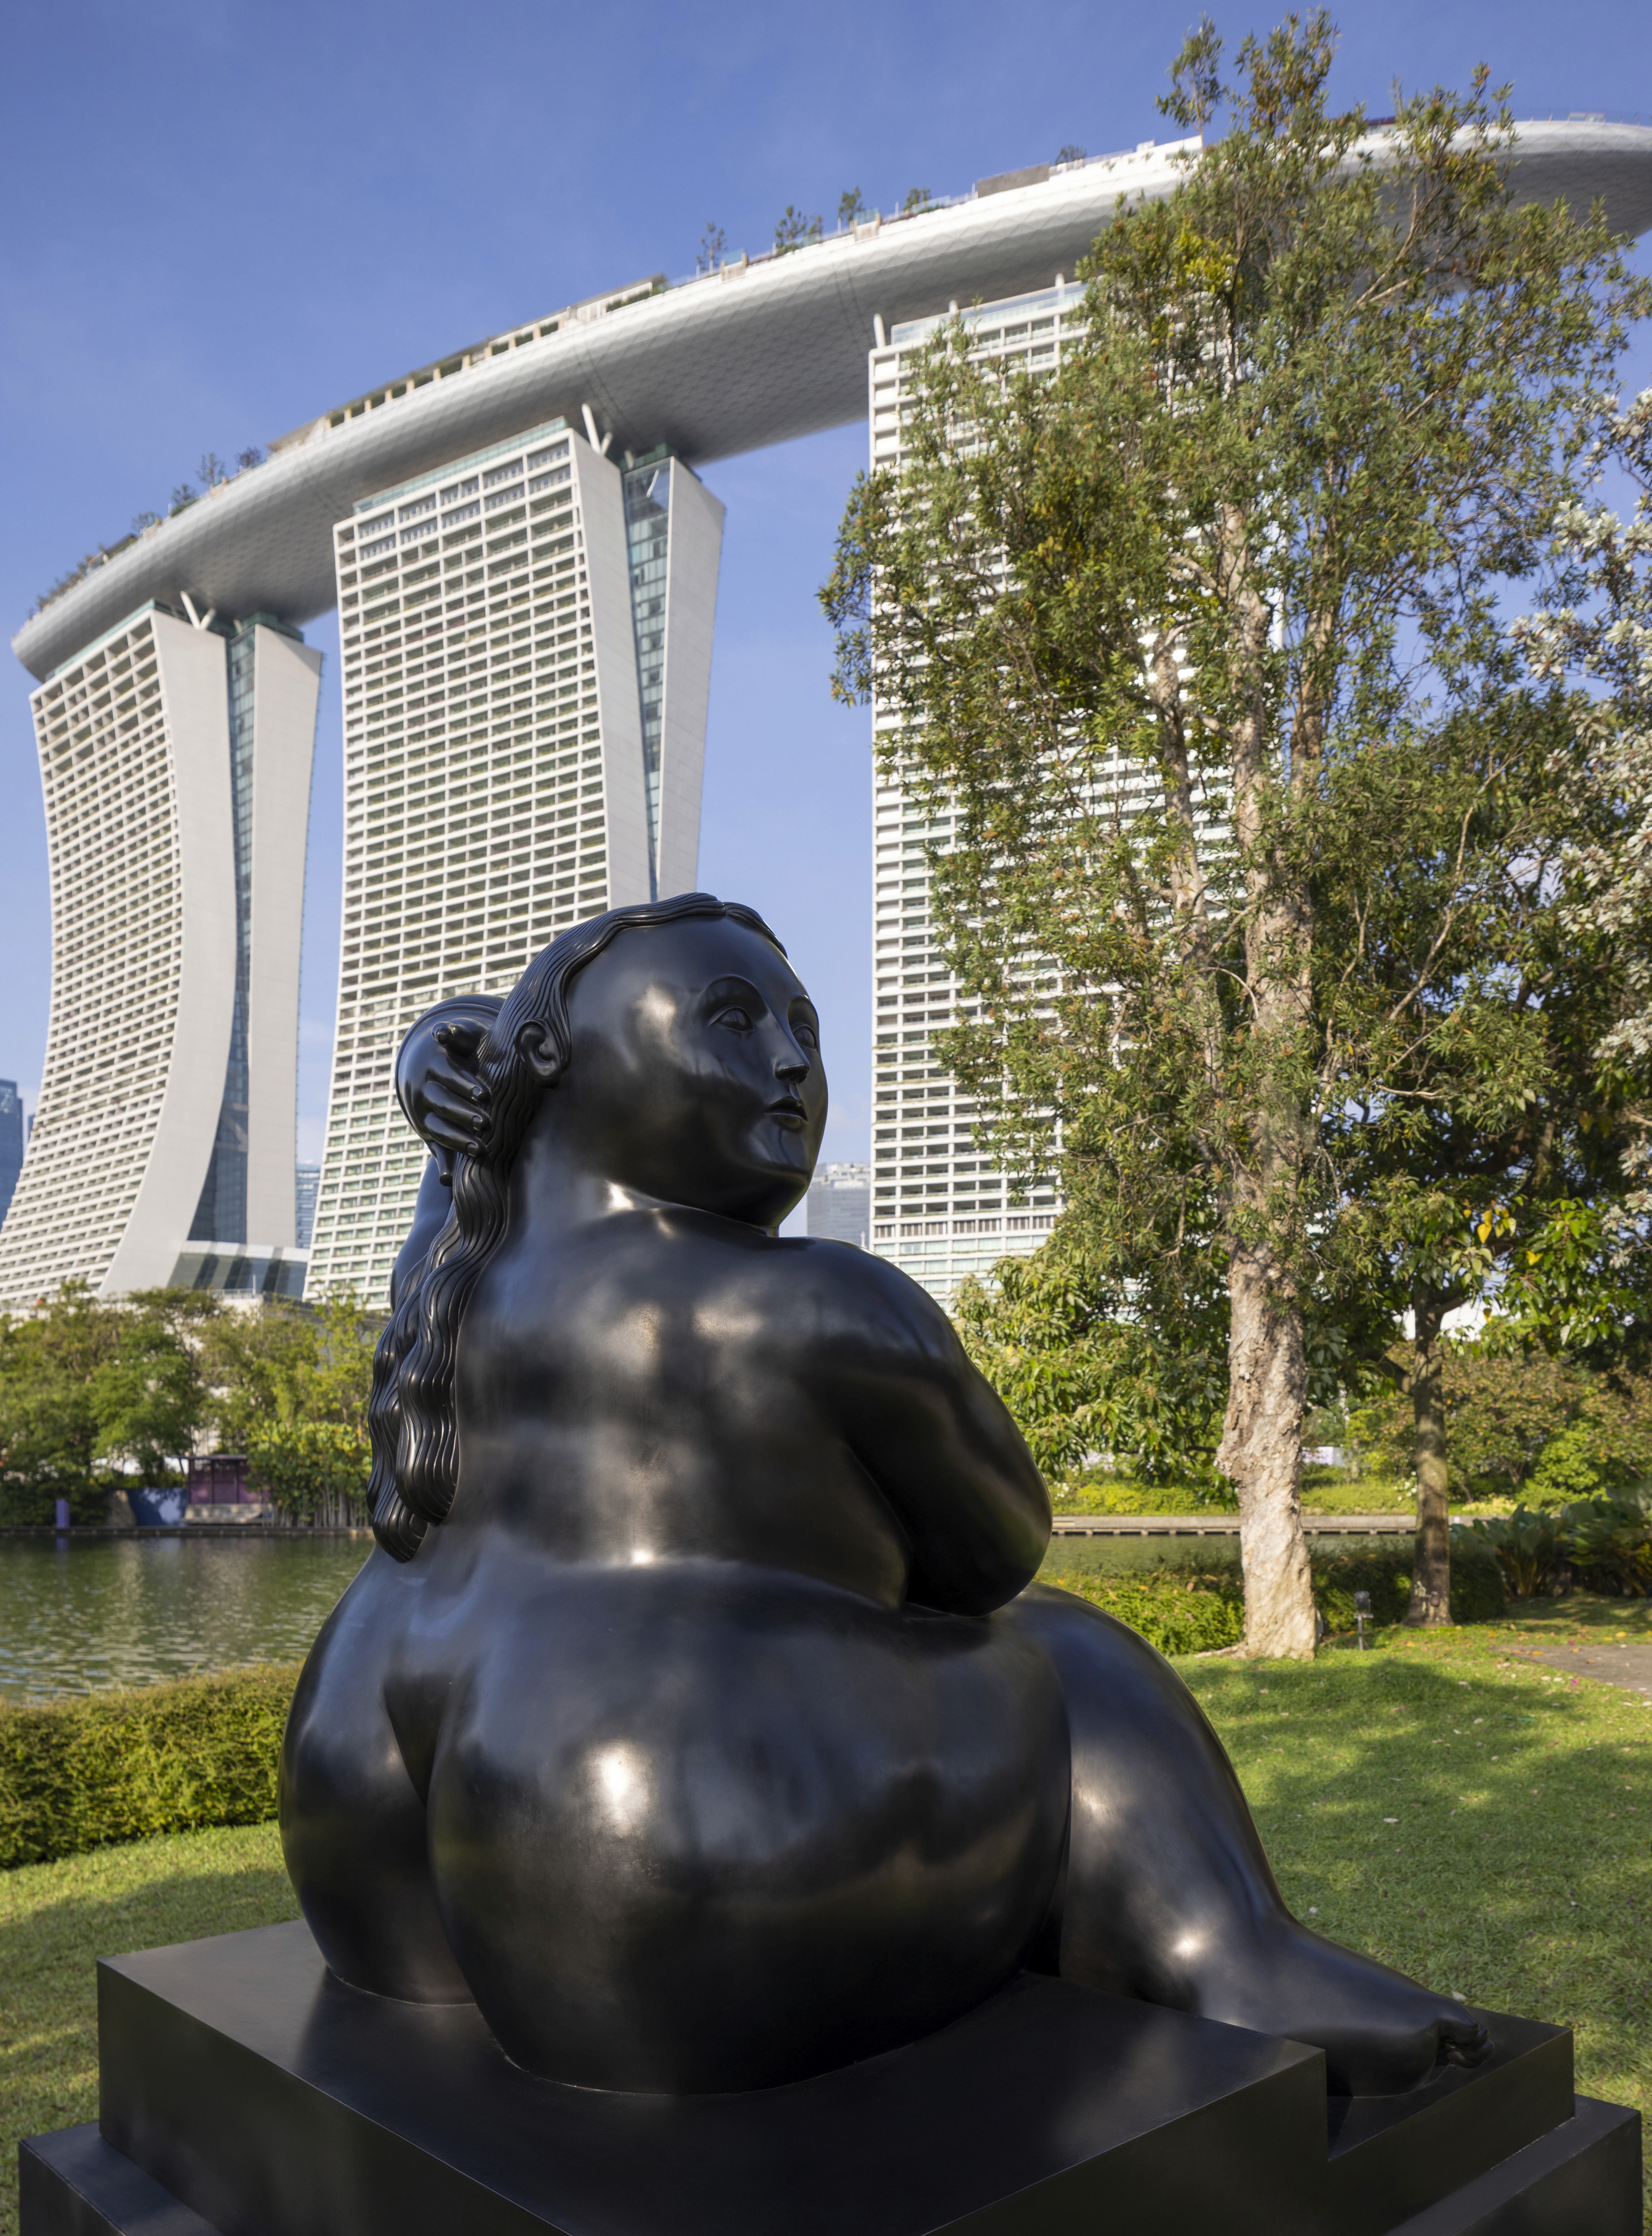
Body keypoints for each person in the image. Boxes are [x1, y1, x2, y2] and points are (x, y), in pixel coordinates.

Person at [281, 892, 1485, 2097]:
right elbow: (995, 1552)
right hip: (638, 1820)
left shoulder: (451, 1273)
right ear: (565, 1057)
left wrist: (434, 1054)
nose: (794, 1060)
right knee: (1065, 1650)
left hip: (356, 1790)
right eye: (733, 1019)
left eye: (801, 1027)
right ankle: (1223, 1950)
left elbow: (482, 1123)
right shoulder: (823, 1300)